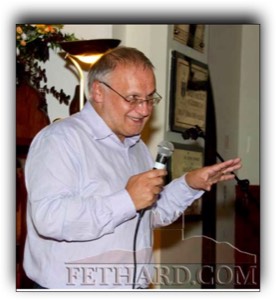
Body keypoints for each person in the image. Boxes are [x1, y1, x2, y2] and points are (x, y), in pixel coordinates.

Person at [23, 46, 241, 289]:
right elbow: (50, 219)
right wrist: (127, 199)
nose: (145, 110)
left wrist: (189, 183)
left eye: (150, 98)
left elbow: (150, 215)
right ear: (98, 92)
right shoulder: (60, 140)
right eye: (133, 98)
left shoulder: (136, 147)